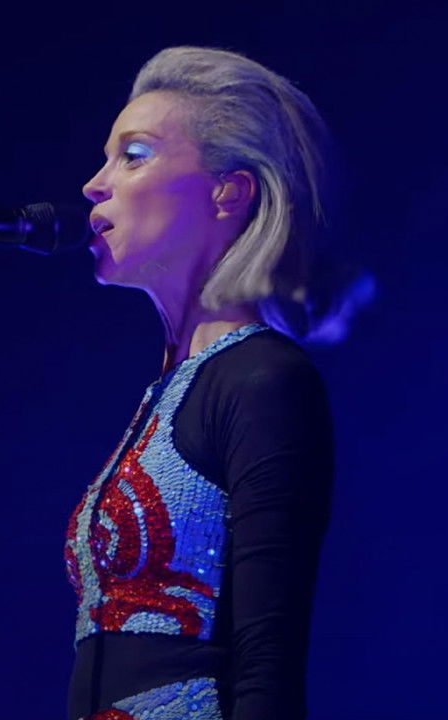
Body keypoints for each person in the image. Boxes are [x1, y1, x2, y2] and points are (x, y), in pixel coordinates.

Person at [65, 46, 366, 720]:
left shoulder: (264, 381)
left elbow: (268, 656)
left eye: (133, 155)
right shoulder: (164, 391)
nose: (93, 185)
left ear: (228, 192)